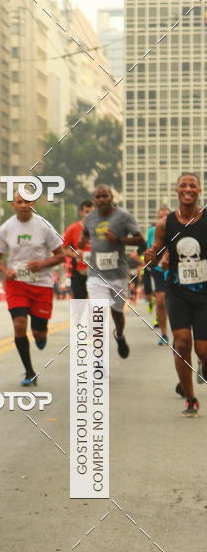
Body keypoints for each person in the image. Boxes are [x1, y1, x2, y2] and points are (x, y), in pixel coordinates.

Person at [146, 174, 207, 417]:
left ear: (199, 190)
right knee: (182, 343)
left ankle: (202, 364)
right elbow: (156, 252)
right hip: (176, 290)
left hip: (204, 293)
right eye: (184, 185)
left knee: (203, 351)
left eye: (193, 185)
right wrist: (150, 255)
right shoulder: (165, 224)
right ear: (177, 190)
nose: (188, 189)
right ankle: (191, 399)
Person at [0, 193, 65, 385]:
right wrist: (6, 270)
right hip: (17, 283)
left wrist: (42, 263)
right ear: (13, 205)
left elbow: (61, 255)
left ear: (34, 203)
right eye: (19, 202)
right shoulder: (7, 228)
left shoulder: (44, 226)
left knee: (39, 332)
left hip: (41, 283)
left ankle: (41, 333)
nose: (23, 205)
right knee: (19, 324)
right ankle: (29, 372)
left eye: (27, 201)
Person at [80, 185, 144, 358]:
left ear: (111, 197)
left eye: (105, 196)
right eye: (98, 197)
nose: (101, 200)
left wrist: (119, 240)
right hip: (96, 275)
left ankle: (119, 335)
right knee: (98, 314)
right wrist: (83, 239)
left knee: (117, 313)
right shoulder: (90, 218)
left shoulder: (124, 217)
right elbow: (85, 232)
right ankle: (98, 359)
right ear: (94, 200)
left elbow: (141, 240)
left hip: (118, 274)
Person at [146, 205, 170, 344]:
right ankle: (164, 334)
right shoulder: (152, 231)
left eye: (165, 217)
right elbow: (150, 250)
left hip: (173, 269)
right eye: (160, 217)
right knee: (160, 301)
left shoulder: (177, 229)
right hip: (158, 269)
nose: (162, 219)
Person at [62, 199, 93, 299]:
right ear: (81, 213)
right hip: (79, 271)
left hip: (97, 271)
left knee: (98, 303)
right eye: (87, 212)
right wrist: (74, 254)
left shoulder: (100, 228)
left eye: (92, 212)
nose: (89, 215)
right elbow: (62, 248)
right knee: (79, 302)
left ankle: (97, 314)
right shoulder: (73, 228)